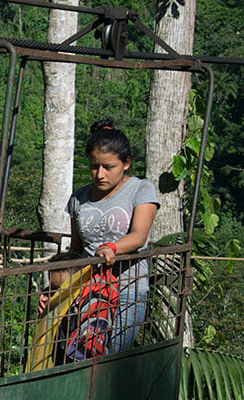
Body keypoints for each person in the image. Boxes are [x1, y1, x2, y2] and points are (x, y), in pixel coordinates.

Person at [40, 118, 160, 354]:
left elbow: (139, 236)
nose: (100, 174)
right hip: (85, 290)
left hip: (128, 288)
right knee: (79, 352)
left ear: (126, 163)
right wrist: (54, 287)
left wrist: (112, 248)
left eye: (108, 166)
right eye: (94, 166)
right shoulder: (79, 198)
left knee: (112, 356)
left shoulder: (140, 189)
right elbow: (76, 249)